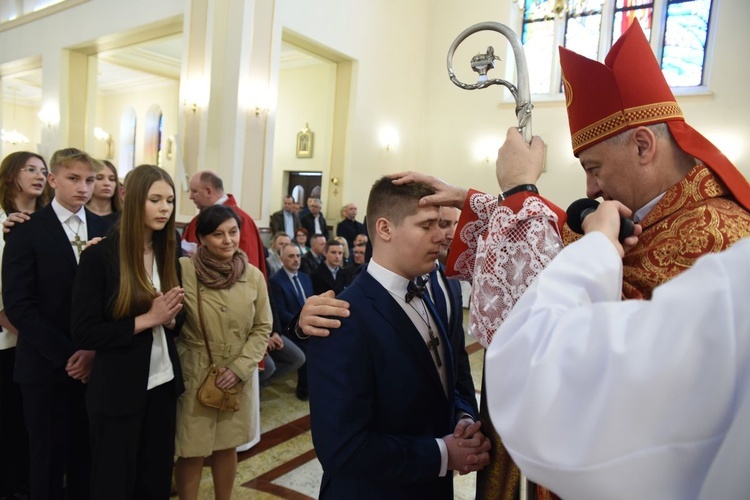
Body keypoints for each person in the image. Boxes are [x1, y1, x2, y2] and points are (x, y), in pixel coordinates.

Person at [486, 201, 750, 500]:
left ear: (642, 150)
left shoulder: (717, 237)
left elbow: (533, 368)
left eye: (594, 168)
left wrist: (597, 244)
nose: (590, 190)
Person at [306, 177, 490, 498]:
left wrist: (461, 417)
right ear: (385, 229)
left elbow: (445, 377)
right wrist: (442, 454)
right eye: (426, 225)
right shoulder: (340, 318)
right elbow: (343, 449)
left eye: (441, 224)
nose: (441, 237)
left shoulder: (424, 291)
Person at [2, 147, 112, 500]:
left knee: (87, 454)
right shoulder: (26, 230)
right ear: (53, 180)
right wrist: (71, 354)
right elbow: (20, 305)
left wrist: (93, 350)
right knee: (46, 458)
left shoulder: (106, 229)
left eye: (90, 180)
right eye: (73, 178)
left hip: (95, 362)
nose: (83, 188)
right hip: (45, 363)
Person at [71, 164, 184, 499]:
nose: (165, 208)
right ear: (133, 200)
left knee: (156, 480)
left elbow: (177, 317)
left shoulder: (167, 252)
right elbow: (85, 332)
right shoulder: (101, 256)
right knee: (114, 483)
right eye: (155, 200)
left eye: (170, 200)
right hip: (119, 389)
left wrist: (172, 319)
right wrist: (149, 318)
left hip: (162, 384)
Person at [174, 204, 271, 500]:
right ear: (201, 238)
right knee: (191, 448)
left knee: (227, 445)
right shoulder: (183, 270)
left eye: (233, 232)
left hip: (236, 373)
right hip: (195, 367)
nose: (228, 240)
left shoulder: (252, 275)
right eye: (218, 234)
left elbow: (262, 326)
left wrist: (240, 368)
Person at [0, 151, 50, 500]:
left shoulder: (49, 219)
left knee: (38, 425)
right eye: (30, 169)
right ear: (10, 175)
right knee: (10, 421)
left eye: (44, 171)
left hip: (43, 337)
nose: (39, 176)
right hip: (9, 337)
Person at [182, 170, 267, 278]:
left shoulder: (241, 220)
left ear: (208, 191)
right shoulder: (197, 220)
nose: (191, 196)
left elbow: (248, 268)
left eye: (194, 191)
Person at [267, 244, 312, 400]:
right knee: (307, 346)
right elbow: (281, 312)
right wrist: (302, 323)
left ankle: (319, 383)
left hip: (307, 323)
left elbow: (310, 302)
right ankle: (304, 388)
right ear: (281, 259)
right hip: (289, 327)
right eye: (291, 256)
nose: (296, 260)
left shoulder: (305, 277)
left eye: (298, 256)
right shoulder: (275, 281)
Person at [86, 159, 122, 223]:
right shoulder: (79, 214)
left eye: (112, 179)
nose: (107, 183)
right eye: (99, 178)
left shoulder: (124, 216)